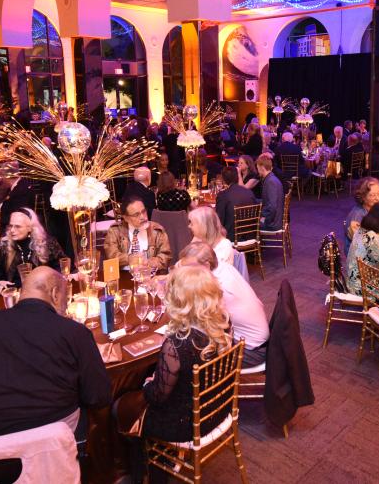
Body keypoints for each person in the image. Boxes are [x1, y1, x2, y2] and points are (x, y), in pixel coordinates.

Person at [0, 267, 110, 456]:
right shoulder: (74, 332)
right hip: (51, 455)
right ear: (55, 294)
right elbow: (98, 397)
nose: (65, 307)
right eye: (66, 298)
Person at [114, 264, 234, 481]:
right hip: (218, 409)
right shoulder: (224, 323)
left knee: (122, 408)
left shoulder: (176, 345)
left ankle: (144, 473)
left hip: (185, 425)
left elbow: (157, 397)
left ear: (179, 301)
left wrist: (148, 382)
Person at [176, 242, 268, 366]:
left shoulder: (217, 286)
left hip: (252, 350)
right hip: (256, 339)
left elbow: (201, 320)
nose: (186, 272)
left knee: (190, 354)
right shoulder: (223, 267)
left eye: (190, 268)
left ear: (206, 265)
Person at [0, 208, 66, 289]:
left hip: (42, 291)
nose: (12, 230)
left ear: (30, 228)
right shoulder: (0, 247)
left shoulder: (47, 243)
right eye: (11, 226)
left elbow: (61, 266)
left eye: (17, 226)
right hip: (15, 293)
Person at [103, 198, 172, 270]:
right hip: (124, 276)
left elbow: (166, 256)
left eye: (144, 211)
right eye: (136, 215)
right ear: (126, 218)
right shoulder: (115, 230)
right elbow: (111, 256)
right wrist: (129, 259)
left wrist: (152, 262)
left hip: (149, 275)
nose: (143, 217)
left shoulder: (157, 230)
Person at [345, 201, 379, 296]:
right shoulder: (373, 238)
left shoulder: (361, 230)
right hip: (362, 289)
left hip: (352, 282)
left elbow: (374, 253)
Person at [187, 205, 238, 271]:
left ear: (202, 226)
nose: (189, 226)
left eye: (192, 223)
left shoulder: (224, 246)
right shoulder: (198, 239)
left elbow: (213, 273)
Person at [215, 166, 256, 242]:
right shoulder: (249, 193)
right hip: (251, 236)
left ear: (223, 180)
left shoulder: (223, 196)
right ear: (237, 177)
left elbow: (219, 221)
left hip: (232, 238)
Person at [344, 177, 379, 245]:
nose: (377, 198)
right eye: (372, 195)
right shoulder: (357, 216)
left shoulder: (373, 209)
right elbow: (362, 245)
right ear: (363, 197)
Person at [255, 154, 283, 230]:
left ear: (262, 168)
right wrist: (252, 200)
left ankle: (255, 241)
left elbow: (272, 207)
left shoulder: (270, 182)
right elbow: (267, 201)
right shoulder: (270, 178)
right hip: (274, 218)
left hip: (272, 223)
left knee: (246, 223)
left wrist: (262, 219)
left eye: (257, 168)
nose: (257, 171)